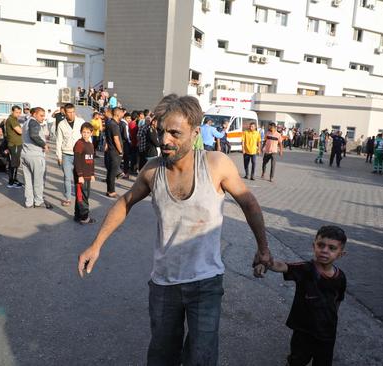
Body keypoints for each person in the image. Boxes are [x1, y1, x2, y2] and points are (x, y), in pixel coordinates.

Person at [77, 94, 273, 366]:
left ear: (195, 132)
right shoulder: (152, 170)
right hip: (164, 284)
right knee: (161, 357)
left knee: (201, 358)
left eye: (174, 133)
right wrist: (96, 244)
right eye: (161, 132)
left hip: (206, 282)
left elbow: (249, 204)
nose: (165, 140)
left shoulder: (217, 165)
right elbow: (125, 202)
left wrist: (263, 249)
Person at [254, 225, 347, 366]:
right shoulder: (305, 269)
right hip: (304, 331)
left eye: (332, 248)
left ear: (340, 254)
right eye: (321, 245)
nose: (324, 251)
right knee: (297, 361)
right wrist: (266, 263)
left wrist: (331, 320)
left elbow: (337, 301)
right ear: (313, 246)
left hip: (327, 333)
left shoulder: (341, 277)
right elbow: (282, 266)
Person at [21, 107, 52, 209]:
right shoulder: (34, 123)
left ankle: (29, 202)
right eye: (41, 115)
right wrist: (44, 145)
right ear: (34, 114)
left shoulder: (26, 123)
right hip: (35, 155)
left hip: (25, 154)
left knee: (28, 180)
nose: (43, 118)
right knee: (38, 180)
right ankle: (38, 201)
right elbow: (34, 135)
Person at [56, 103, 84, 206]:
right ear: (65, 112)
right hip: (66, 155)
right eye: (69, 112)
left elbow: (87, 137)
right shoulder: (61, 124)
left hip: (79, 155)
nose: (71, 114)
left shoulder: (81, 122)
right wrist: (59, 156)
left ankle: (79, 197)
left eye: (73, 112)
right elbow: (59, 141)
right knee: (67, 178)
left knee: (78, 178)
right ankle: (68, 198)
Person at [74, 122, 96, 224]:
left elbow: (91, 161)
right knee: (82, 197)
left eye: (88, 132)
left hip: (88, 175)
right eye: (84, 132)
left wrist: (92, 174)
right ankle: (84, 217)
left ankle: (78, 215)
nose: (85, 134)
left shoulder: (90, 145)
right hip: (81, 176)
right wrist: (80, 175)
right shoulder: (79, 144)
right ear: (81, 132)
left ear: (91, 133)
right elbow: (77, 161)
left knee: (84, 195)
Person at [103, 107, 123, 198]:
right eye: (121, 113)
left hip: (110, 150)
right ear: (117, 114)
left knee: (110, 171)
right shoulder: (114, 125)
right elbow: (116, 139)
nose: (122, 115)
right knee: (112, 172)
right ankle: (111, 191)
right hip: (114, 152)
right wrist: (120, 151)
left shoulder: (109, 122)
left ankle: (109, 190)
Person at [4, 105, 24, 188]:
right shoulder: (11, 119)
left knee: (16, 163)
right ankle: (11, 181)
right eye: (17, 112)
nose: (18, 114)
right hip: (14, 144)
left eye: (20, 112)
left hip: (17, 144)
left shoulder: (14, 119)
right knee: (13, 163)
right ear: (12, 111)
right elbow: (20, 131)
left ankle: (14, 179)